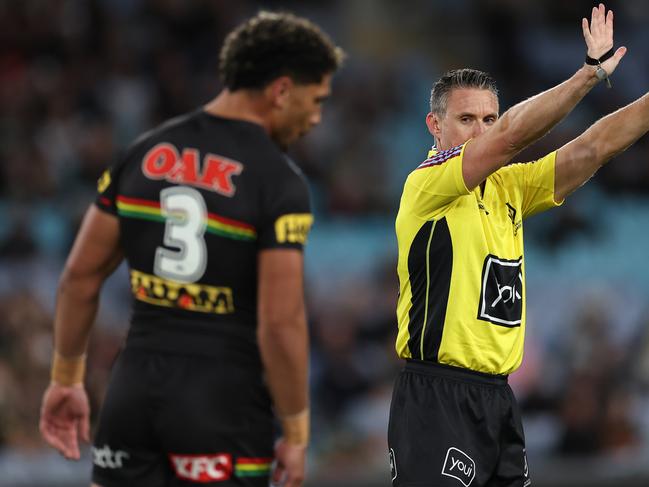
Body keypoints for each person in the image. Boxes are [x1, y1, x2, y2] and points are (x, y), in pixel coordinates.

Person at [39, 11, 343, 487]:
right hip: (222, 403)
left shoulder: (142, 151)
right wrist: (297, 431)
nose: (317, 117)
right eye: (316, 99)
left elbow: (78, 278)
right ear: (281, 91)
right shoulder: (278, 181)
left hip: (132, 394)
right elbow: (280, 322)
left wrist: (65, 379)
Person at [389, 4, 649, 486]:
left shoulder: (508, 188)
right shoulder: (426, 186)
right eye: (467, 119)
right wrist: (588, 76)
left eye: (489, 118)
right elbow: (510, 138)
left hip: (498, 398)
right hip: (438, 394)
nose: (481, 131)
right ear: (434, 126)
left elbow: (592, 148)